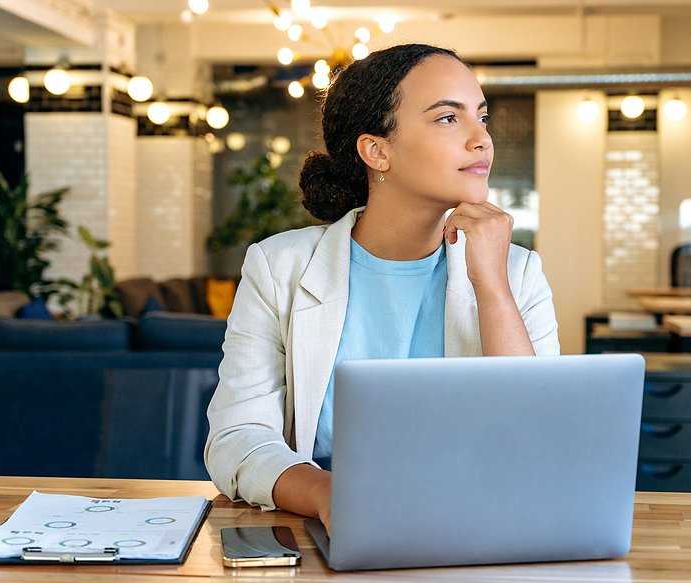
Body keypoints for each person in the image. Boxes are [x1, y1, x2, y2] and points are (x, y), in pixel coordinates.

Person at [205, 43, 559, 535]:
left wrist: (492, 287)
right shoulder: (278, 266)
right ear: (377, 151)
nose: (482, 140)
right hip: (329, 528)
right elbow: (237, 438)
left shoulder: (516, 273)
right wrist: (329, 494)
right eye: (447, 119)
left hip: (478, 527)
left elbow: (535, 445)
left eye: (482, 118)